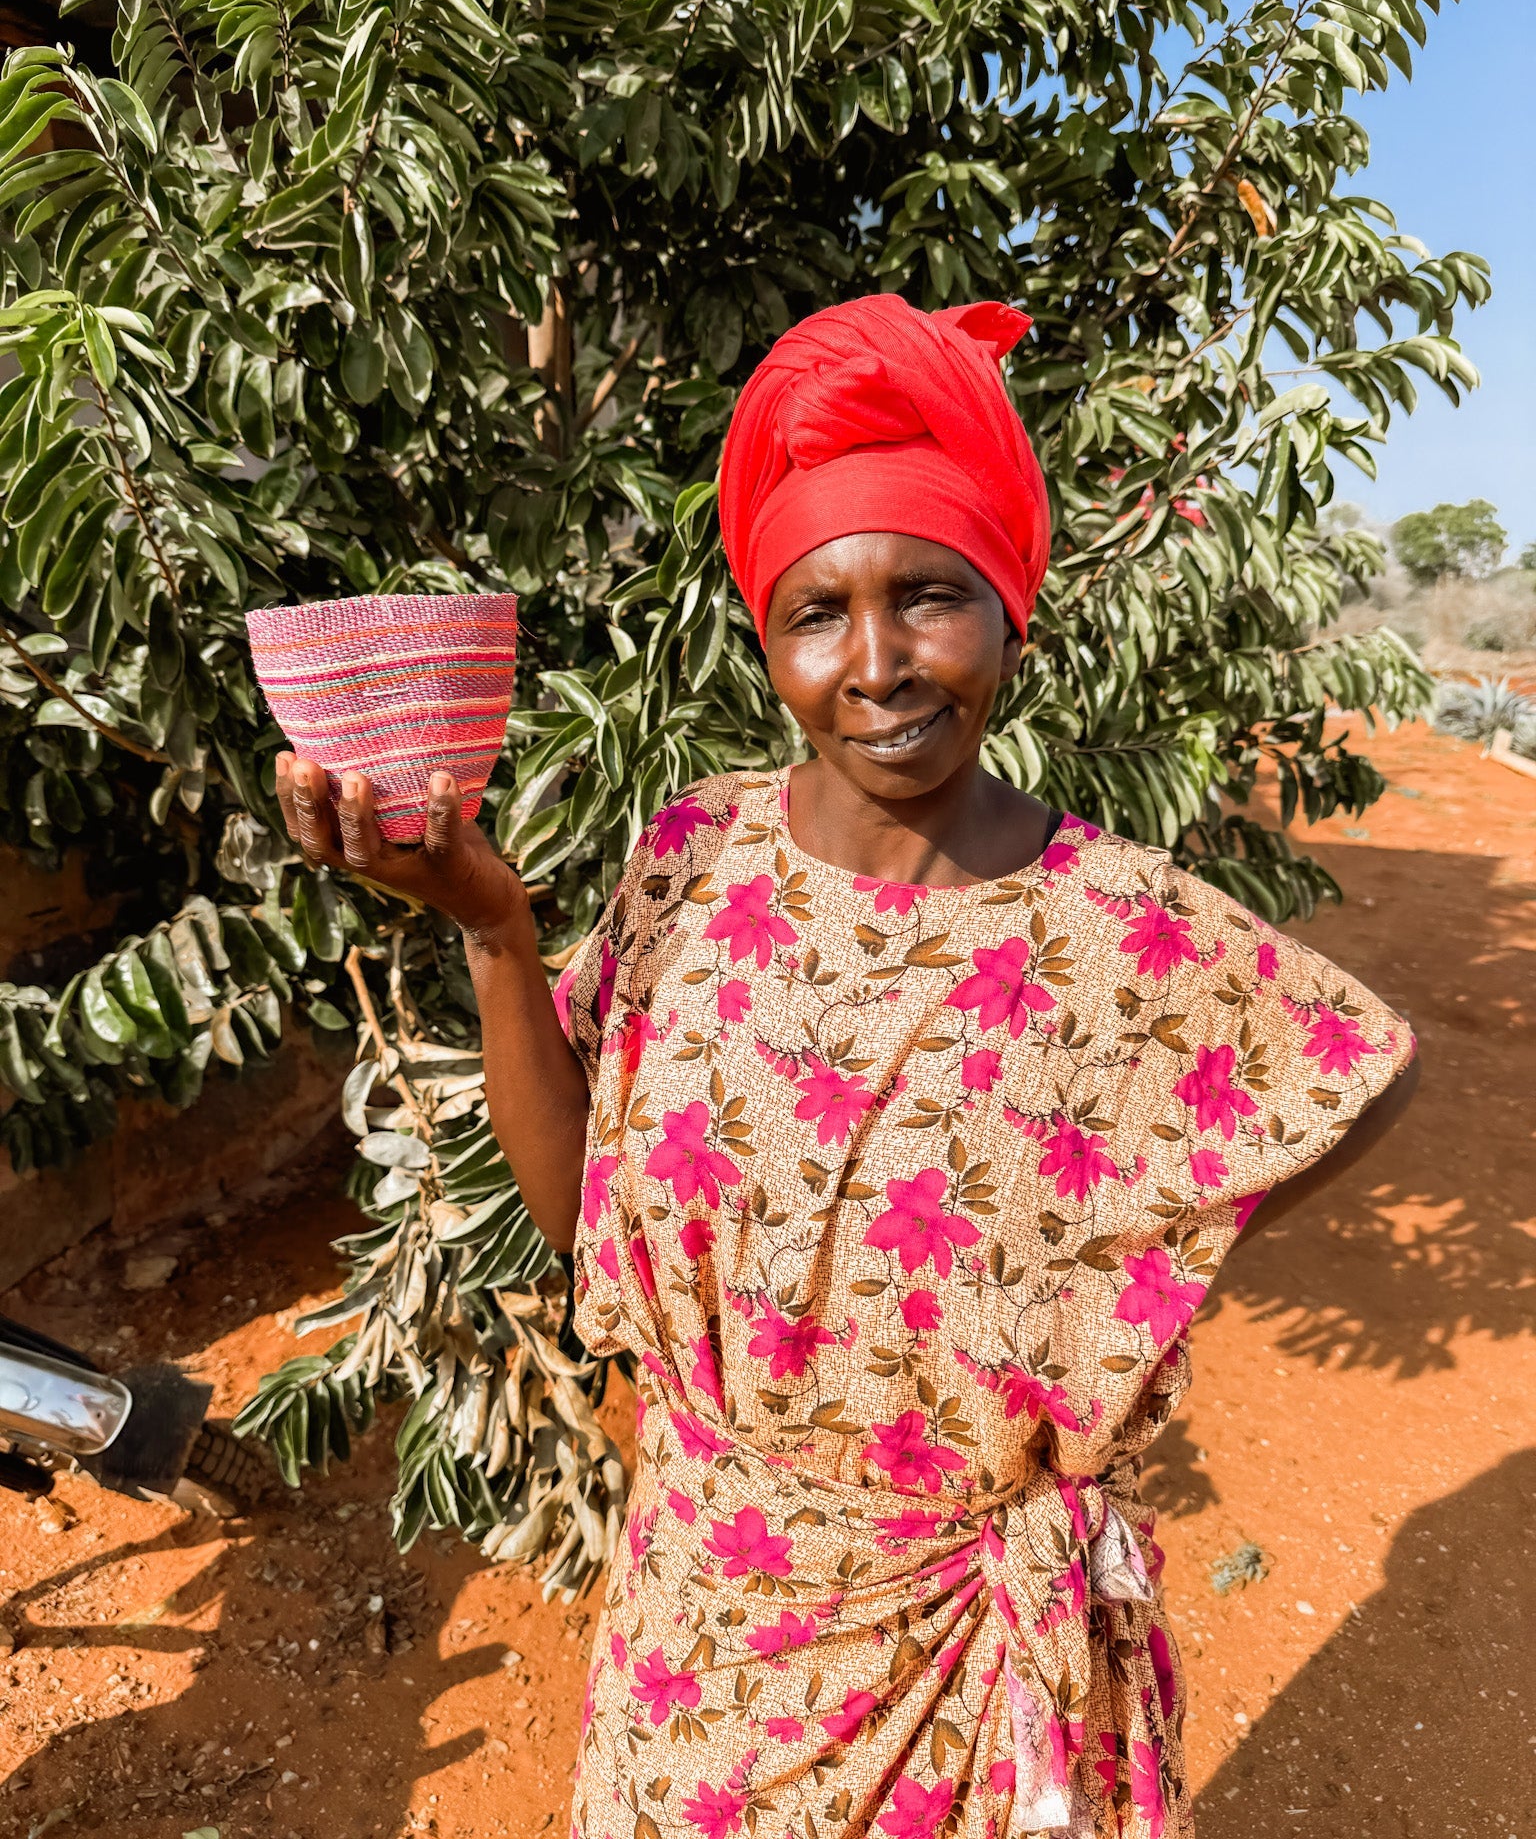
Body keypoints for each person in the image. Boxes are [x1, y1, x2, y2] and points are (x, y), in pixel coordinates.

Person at [273, 295, 1418, 1839]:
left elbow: (1360, 1066)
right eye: (820, 612)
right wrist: (495, 933)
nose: (877, 664)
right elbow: (579, 1226)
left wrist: (1137, 1250)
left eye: (930, 595)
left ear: (1012, 603)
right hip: (701, 1642)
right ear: (769, 636)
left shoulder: (1128, 940)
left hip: (961, 1671)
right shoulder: (699, 856)